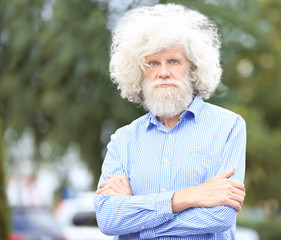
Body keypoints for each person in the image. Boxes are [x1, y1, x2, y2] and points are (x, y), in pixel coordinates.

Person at [94, 3, 246, 239]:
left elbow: (220, 216)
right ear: (140, 71)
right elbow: (108, 218)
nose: (163, 72)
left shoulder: (228, 127)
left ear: (192, 68)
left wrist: (136, 213)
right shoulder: (124, 139)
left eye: (173, 61)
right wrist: (188, 197)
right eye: (153, 63)